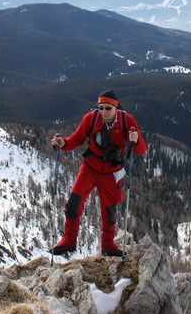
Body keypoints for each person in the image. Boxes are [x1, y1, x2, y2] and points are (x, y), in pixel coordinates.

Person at [50, 89, 147, 257]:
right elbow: (77, 139)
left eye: (107, 108)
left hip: (111, 171)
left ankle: (108, 246)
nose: (103, 112)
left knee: (109, 210)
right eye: (100, 108)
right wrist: (63, 143)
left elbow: (141, 149)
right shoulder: (91, 118)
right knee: (73, 203)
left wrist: (136, 140)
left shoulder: (127, 121)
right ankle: (68, 241)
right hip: (90, 167)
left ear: (116, 108)